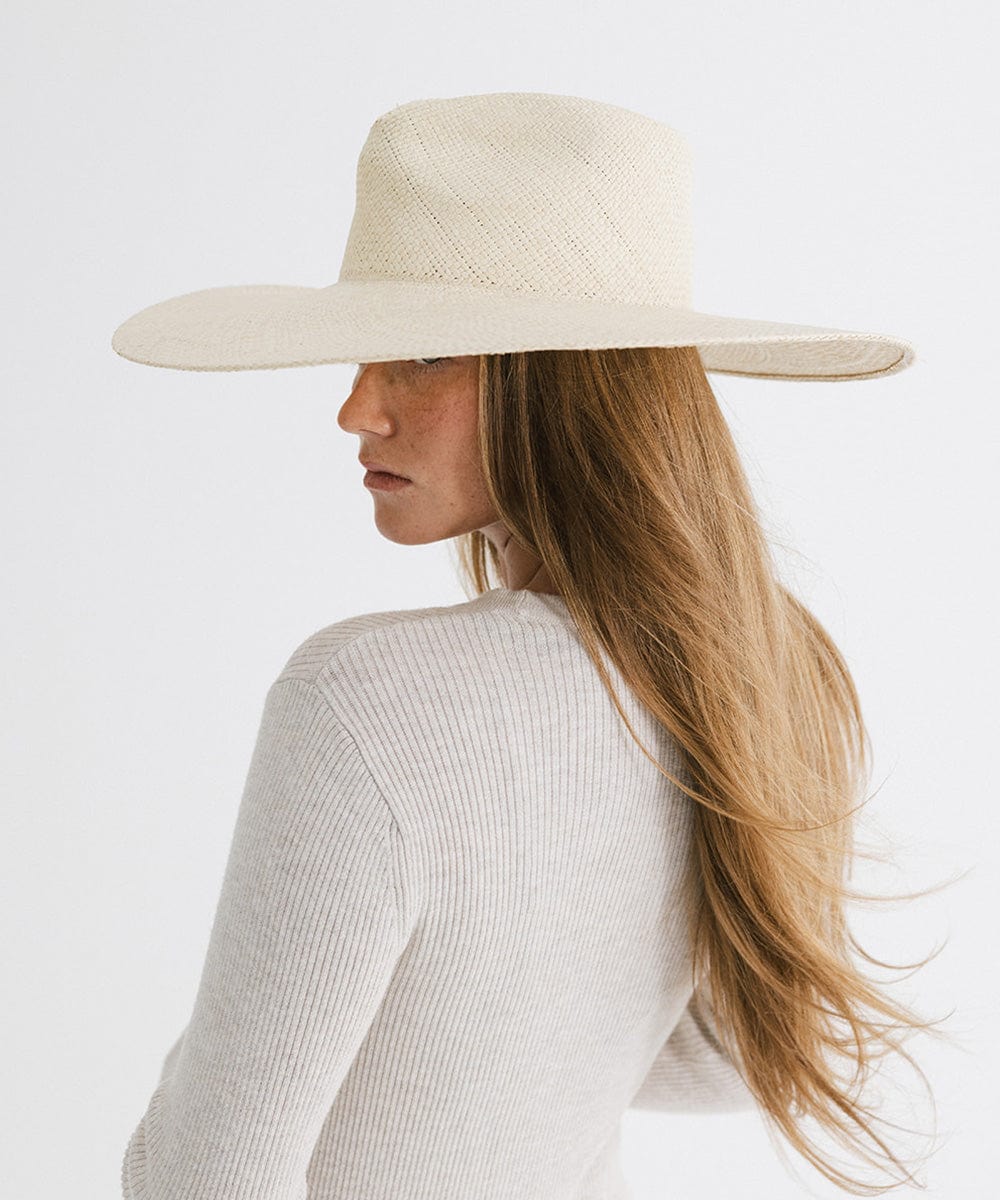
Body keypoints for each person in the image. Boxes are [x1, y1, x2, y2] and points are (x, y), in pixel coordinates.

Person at [111, 92, 947, 1199]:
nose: (357, 409)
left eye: (417, 358)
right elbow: (731, 1055)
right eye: (366, 358)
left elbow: (203, 1178)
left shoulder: (364, 697)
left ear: (564, 380)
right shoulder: (769, 664)